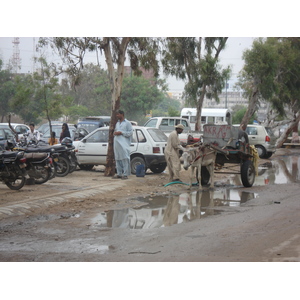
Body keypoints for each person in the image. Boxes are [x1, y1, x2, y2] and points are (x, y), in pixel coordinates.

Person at [112, 110, 133, 180]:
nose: (117, 116)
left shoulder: (127, 123)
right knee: (118, 158)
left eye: (118, 114)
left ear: (122, 114)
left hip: (124, 143)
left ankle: (125, 174)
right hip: (117, 143)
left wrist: (121, 132)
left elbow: (130, 132)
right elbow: (115, 131)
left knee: (125, 158)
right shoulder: (117, 123)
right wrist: (115, 133)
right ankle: (119, 173)